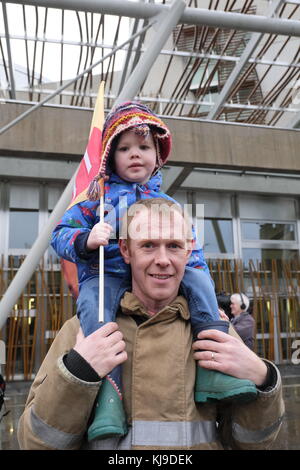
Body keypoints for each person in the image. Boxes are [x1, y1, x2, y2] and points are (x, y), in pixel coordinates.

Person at [51, 102, 257, 442]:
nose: (135, 154)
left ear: (157, 154)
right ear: (109, 155)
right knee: (95, 318)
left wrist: (204, 292)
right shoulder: (94, 198)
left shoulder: (169, 204)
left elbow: (191, 250)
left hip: (153, 281)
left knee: (199, 281)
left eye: (144, 147)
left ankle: (210, 374)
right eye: (125, 148)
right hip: (105, 277)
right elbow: (59, 235)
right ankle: (109, 398)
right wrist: (87, 239)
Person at [18, 199, 284, 450]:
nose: (163, 259)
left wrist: (263, 379)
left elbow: (251, 443)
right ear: (125, 250)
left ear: (189, 249)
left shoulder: (216, 330)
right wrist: (77, 374)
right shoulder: (83, 332)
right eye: (148, 245)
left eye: (174, 246)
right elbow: (35, 442)